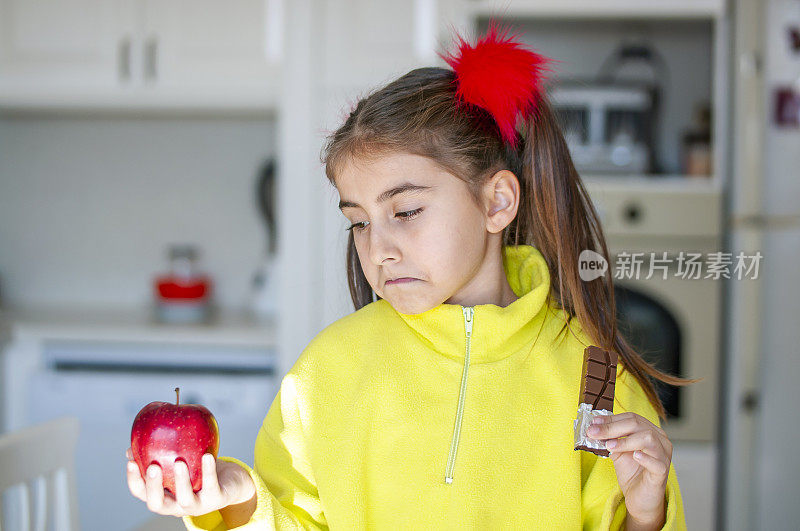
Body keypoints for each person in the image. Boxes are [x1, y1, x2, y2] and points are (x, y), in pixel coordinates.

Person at [126, 19, 698, 530]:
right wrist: (238, 500)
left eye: (405, 212)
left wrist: (646, 514)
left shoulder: (592, 371)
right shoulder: (328, 370)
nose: (379, 249)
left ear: (497, 202)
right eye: (359, 222)